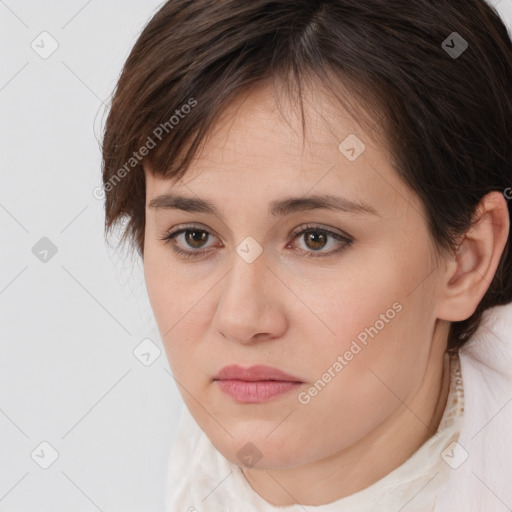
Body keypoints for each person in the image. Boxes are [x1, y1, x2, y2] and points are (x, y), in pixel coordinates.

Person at [100, 1, 512, 510]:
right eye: (195, 237)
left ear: (465, 261)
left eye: (316, 238)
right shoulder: (192, 477)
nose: (241, 319)